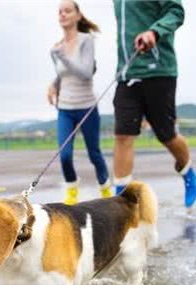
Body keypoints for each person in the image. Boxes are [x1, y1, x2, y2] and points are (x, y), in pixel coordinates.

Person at [112, 0, 196, 207]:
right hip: (127, 73)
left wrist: (154, 32)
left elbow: (176, 11)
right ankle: (121, 203)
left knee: (166, 135)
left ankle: (188, 172)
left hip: (158, 70)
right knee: (123, 134)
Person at [48, 0, 111, 205]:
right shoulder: (56, 48)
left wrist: (63, 57)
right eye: (60, 12)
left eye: (68, 11)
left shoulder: (87, 40)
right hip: (65, 108)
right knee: (64, 155)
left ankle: (106, 191)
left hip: (86, 107)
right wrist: (53, 84)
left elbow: (85, 73)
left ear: (77, 15)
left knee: (94, 154)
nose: (63, 14)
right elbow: (63, 74)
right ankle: (72, 190)